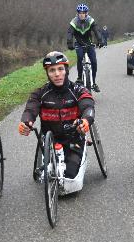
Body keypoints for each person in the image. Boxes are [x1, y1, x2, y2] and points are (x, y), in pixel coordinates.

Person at [18, 51, 95, 180]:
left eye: (60, 69)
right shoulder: (39, 93)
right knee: (50, 177)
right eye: (52, 70)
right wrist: (26, 122)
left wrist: (86, 120)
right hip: (50, 140)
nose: (57, 74)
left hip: (73, 138)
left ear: (66, 70)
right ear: (47, 74)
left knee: (69, 175)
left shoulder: (78, 90)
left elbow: (88, 106)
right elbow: (30, 109)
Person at [67, 3, 104, 92]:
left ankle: (93, 83)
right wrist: (69, 43)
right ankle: (79, 77)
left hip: (89, 43)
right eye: (80, 12)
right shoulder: (74, 22)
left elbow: (96, 31)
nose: (82, 14)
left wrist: (100, 40)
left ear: (86, 13)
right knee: (79, 57)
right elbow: (70, 33)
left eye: (83, 12)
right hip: (78, 43)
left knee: (94, 61)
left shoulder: (91, 21)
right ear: (77, 13)